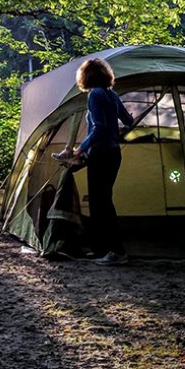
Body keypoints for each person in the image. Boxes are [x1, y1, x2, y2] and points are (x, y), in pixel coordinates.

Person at [65, 58, 134, 266]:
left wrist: (80, 149)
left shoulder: (95, 94)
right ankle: (101, 249)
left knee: (101, 203)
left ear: (86, 76)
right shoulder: (112, 94)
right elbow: (129, 121)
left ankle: (116, 251)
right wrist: (117, 131)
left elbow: (99, 127)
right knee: (100, 201)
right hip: (113, 153)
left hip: (101, 154)